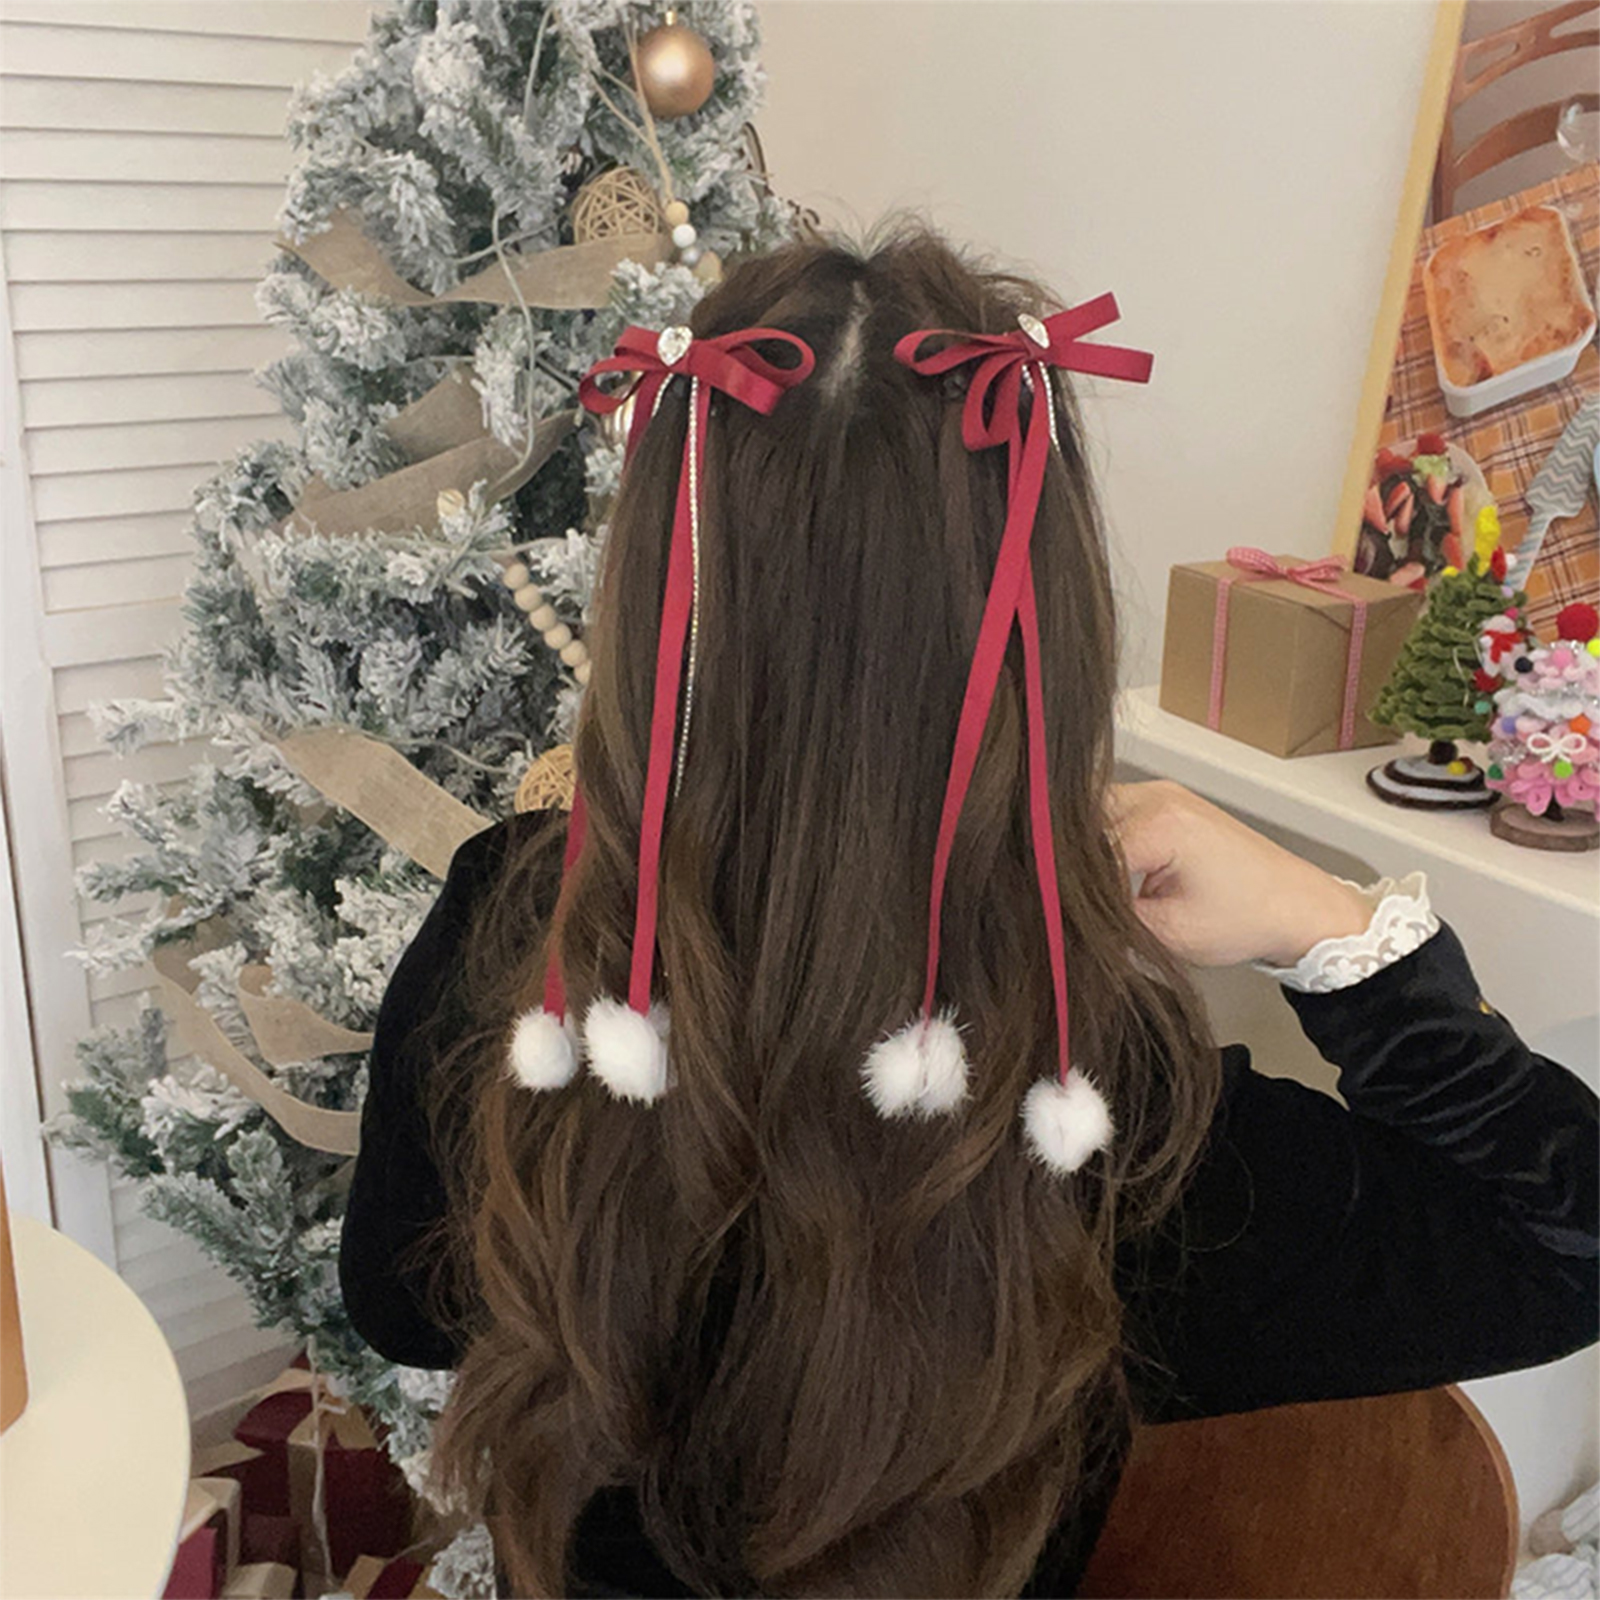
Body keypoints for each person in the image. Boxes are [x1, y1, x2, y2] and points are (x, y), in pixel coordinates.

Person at [337, 225, 1598, 1600]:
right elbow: (1566, 1241)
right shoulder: (1100, 1108)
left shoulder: (514, 938)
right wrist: (1325, 922)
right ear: (1045, 623)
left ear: (657, 588)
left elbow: (400, 1305)